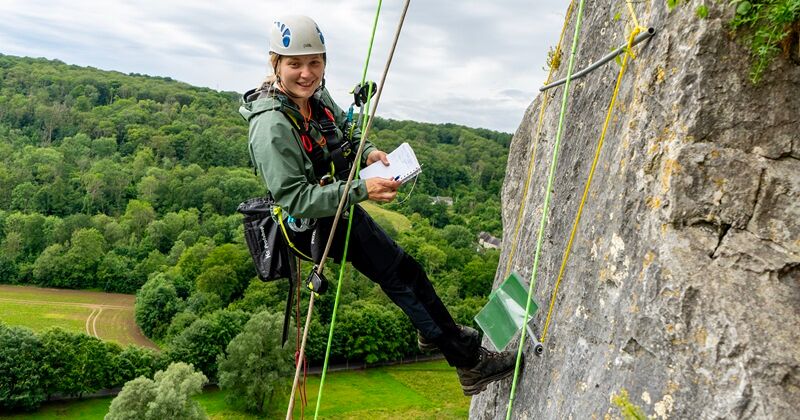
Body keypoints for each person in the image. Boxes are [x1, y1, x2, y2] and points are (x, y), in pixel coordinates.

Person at [239, 14, 520, 396]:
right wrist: (361, 190)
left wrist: (369, 153)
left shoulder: (314, 97)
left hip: (336, 204)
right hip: (313, 225)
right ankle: (469, 364)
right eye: (295, 64)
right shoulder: (272, 126)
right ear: (276, 64)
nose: (307, 73)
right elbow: (296, 198)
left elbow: (344, 133)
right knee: (402, 276)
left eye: (315, 62)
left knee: (406, 271)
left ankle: (431, 329)